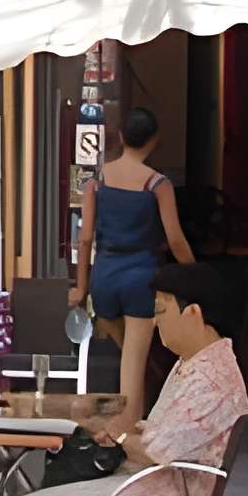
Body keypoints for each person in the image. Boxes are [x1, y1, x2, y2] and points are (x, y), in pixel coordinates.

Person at [103, 264, 248, 496]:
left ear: (193, 312)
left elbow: (154, 452)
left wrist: (118, 435)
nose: (155, 320)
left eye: (160, 309)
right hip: (151, 490)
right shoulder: (194, 362)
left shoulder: (211, 381)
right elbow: (168, 435)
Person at [78, 106, 195, 419]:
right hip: (140, 280)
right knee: (132, 371)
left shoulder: (97, 181)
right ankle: (127, 440)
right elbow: (175, 239)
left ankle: (109, 431)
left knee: (116, 357)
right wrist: (194, 272)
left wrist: (80, 287)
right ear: (154, 140)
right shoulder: (157, 184)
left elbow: (86, 238)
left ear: (120, 136)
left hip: (103, 278)